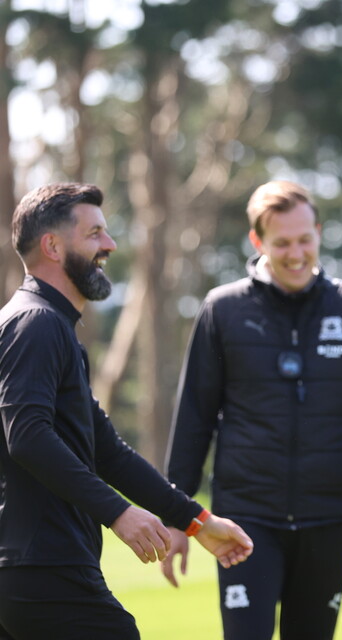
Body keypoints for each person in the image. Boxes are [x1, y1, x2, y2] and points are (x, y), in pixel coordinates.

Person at [0, 183, 253, 640]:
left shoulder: (53, 328)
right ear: (52, 246)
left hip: (38, 565)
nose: (110, 245)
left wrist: (196, 521)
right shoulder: (36, 324)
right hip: (42, 566)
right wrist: (118, 512)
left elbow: (107, 451)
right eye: (95, 233)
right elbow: (28, 436)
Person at [163, 180, 342, 640]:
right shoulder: (223, 309)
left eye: (304, 240)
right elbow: (194, 417)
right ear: (258, 242)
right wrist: (179, 514)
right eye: (282, 243)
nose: (296, 254)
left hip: (330, 517)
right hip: (244, 520)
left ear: (319, 232)